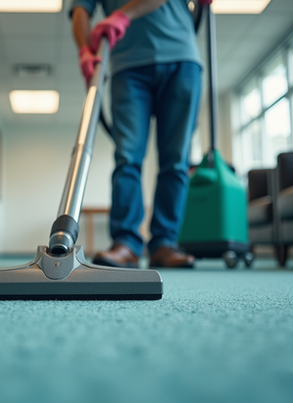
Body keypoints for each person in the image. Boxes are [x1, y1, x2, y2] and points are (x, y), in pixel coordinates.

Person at [70, 0, 202, 268]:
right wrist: (84, 49)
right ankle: (127, 243)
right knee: (127, 157)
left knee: (176, 159)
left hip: (181, 57)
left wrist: (122, 15)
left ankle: (164, 243)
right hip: (126, 65)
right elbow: (80, 9)